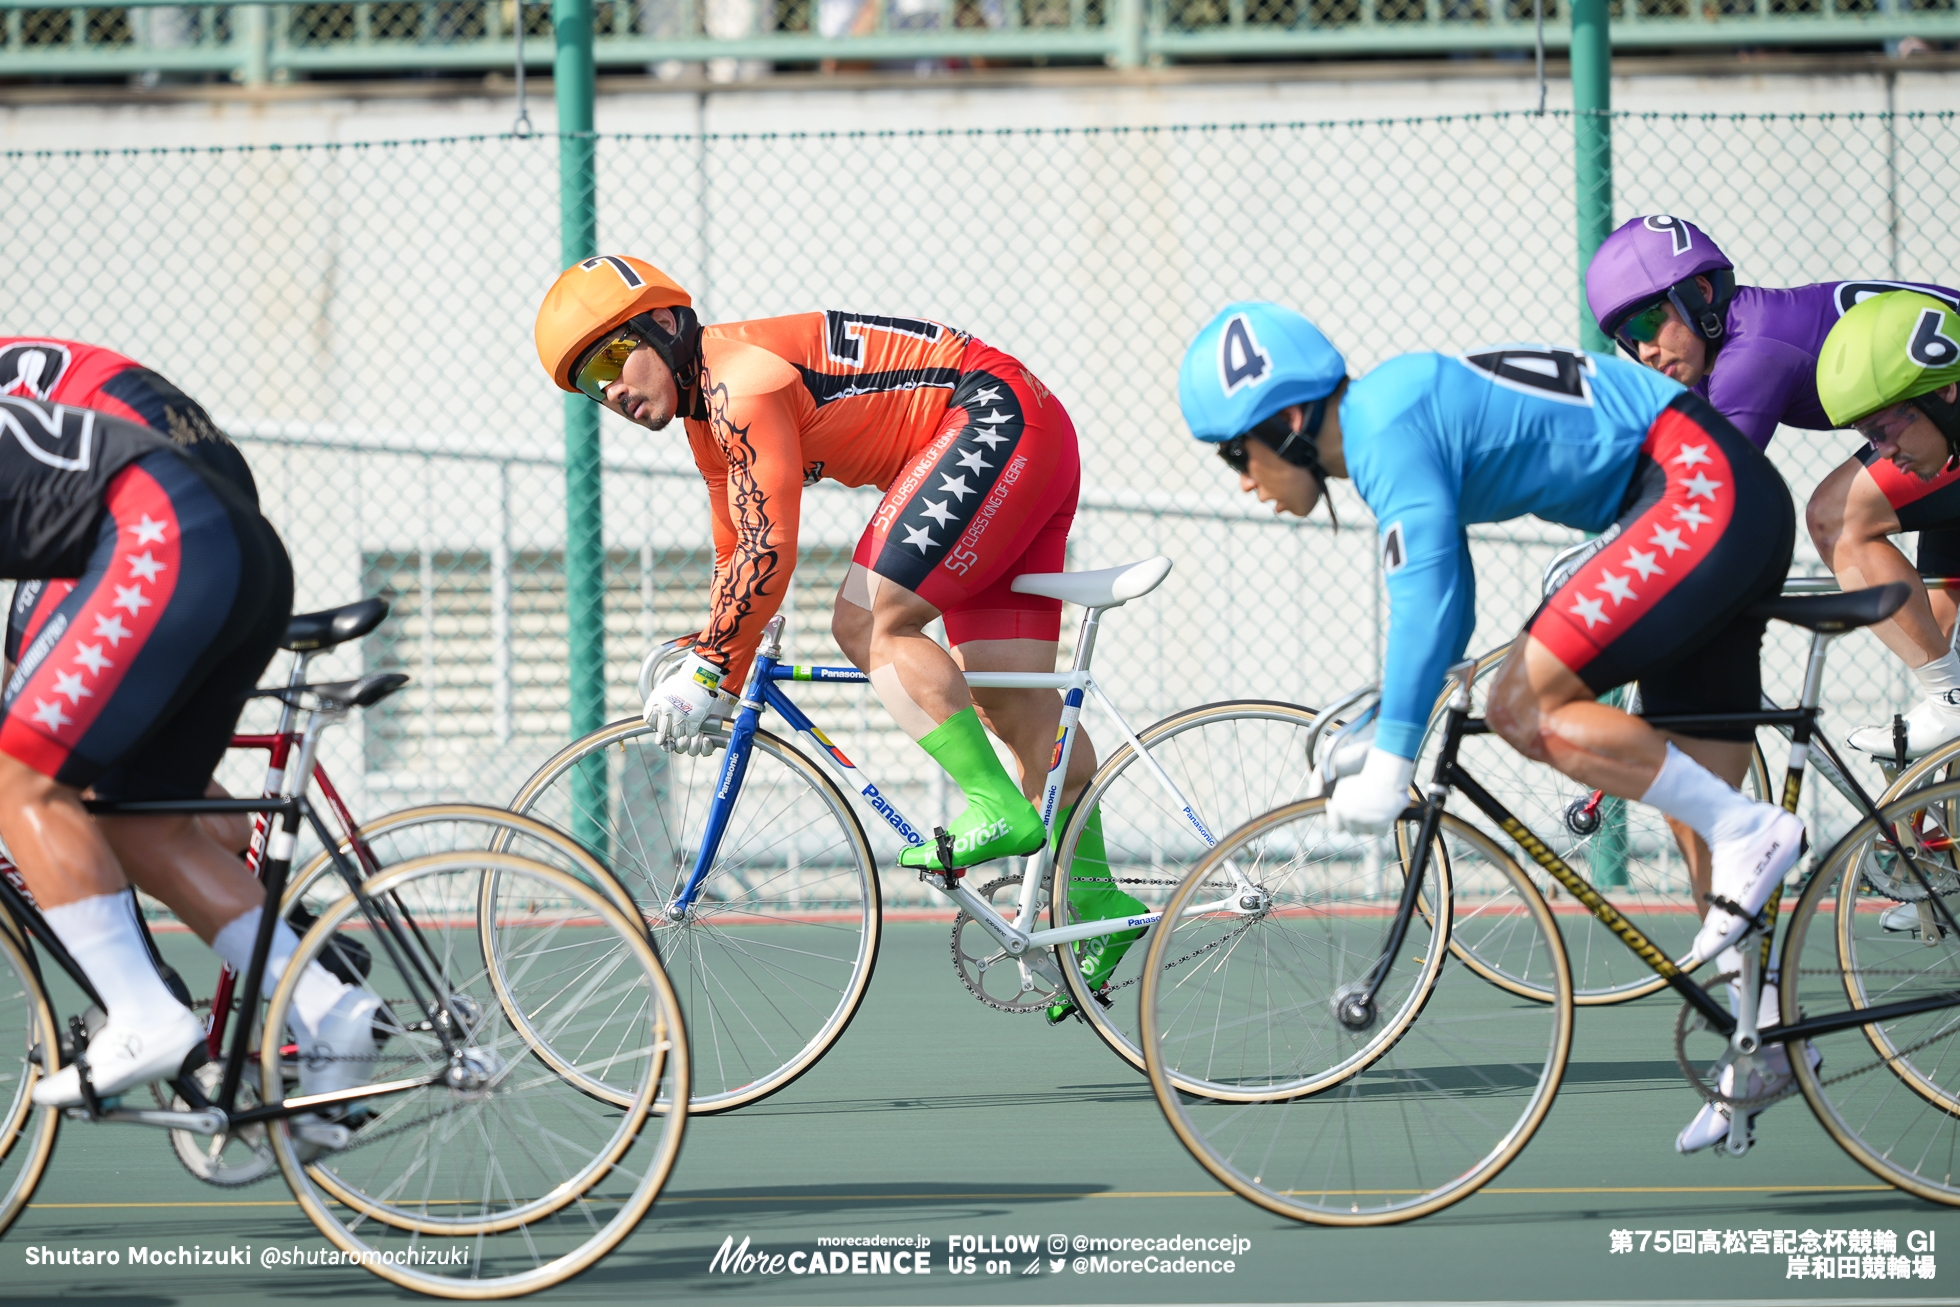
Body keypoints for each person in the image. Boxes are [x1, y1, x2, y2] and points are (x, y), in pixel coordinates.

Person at [1179, 302, 1803, 1153]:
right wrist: (1399, 708)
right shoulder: (1389, 411)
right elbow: (1449, 601)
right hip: (1703, 489)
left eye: (1234, 454)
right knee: (1703, 825)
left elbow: (1429, 593)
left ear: (1287, 422)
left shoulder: (1382, 429)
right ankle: (1760, 1038)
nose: (1242, 480)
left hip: (1692, 487)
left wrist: (1394, 751)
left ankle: (1752, 826)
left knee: (1521, 705)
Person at [533, 255, 1145, 1008]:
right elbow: (736, 554)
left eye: (612, 358)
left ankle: (996, 806)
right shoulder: (707, 417)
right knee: (1012, 705)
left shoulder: (741, 384)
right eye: (593, 385)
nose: (614, 391)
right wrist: (712, 664)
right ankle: (1102, 900)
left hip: (991, 417)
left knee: (865, 621)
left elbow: (770, 552)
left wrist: (711, 670)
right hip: (1022, 428)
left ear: (663, 321)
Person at [0, 395, 378, 1117]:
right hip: (232, 538)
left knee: (22, 779)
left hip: (158, 533)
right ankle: (327, 1007)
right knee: (143, 823)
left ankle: (143, 1012)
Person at [1584, 216, 1960, 758]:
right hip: (1938, 418)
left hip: (1944, 411)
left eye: (1647, 323)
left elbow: (1703, 498)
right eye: (1625, 338)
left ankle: (1948, 704)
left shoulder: (1749, 358)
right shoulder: (1735, 342)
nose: (1642, 350)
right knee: (1933, 639)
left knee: (1837, 519)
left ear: (1700, 293)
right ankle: (1928, 818)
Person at [0, 337, 262, 856]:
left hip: (143, 470)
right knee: (95, 725)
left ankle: (82, 893)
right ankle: (242, 875)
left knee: (30, 712)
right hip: (196, 446)